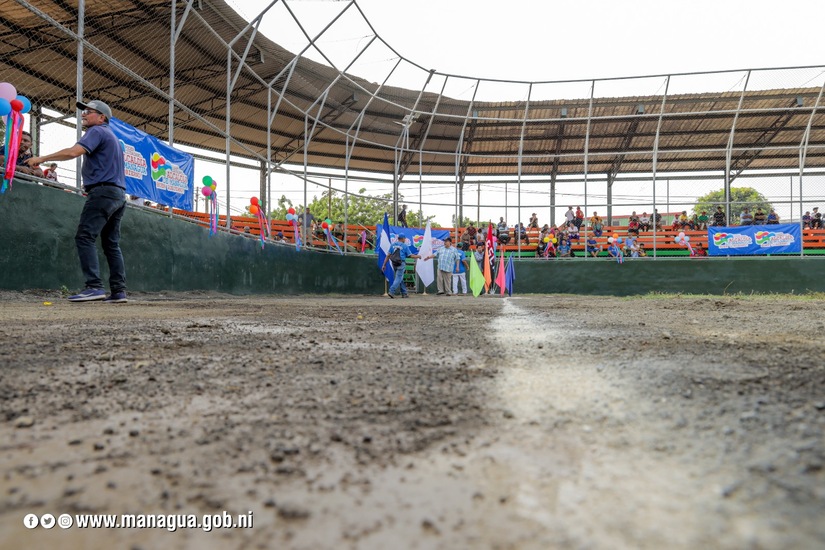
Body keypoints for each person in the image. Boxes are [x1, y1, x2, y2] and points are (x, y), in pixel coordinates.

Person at [26, 100, 127, 303]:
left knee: (84, 237)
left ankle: (94, 287)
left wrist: (41, 158)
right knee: (111, 244)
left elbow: (73, 152)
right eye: (84, 111)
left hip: (103, 192)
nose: (84, 114)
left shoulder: (97, 131)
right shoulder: (111, 136)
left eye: (89, 111)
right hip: (118, 194)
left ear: (102, 117)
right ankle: (118, 292)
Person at [381, 234, 420, 298]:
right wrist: (419, 256)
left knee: (400, 278)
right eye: (404, 238)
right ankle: (391, 291)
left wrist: (384, 264)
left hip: (394, 263)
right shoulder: (404, 246)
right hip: (401, 263)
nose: (405, 240)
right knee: (398, 278)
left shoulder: (393, 245)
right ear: (403, 239)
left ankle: (404, 293)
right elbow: (410, 255)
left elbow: (388, 255)